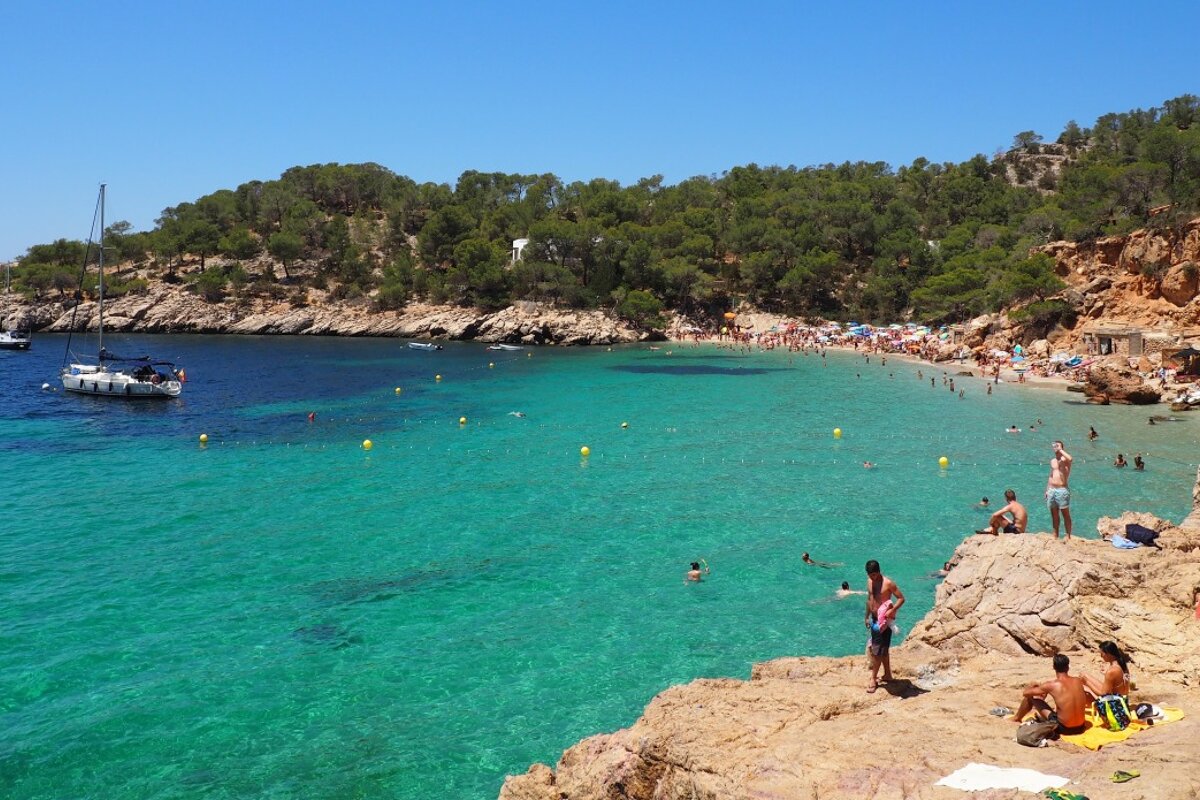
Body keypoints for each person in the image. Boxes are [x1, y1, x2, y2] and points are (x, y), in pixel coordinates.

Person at [1010, 654, 1089, 735]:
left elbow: (1025, 694)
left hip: (1064, 729)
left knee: (1030, 698)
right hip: (1080, 728)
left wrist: (1032, 686)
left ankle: (1016, 718)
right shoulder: (1078, 681)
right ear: (1068, 667)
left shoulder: (1051, 685)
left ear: (1054, 667)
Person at [864, 559, 904, 693]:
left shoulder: (888, 583)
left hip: (884, 622)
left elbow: (901, 598)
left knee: (877, 652)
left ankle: (873, 679)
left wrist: (892, 610)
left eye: (874, 575)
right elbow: (870, 600)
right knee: (883, 649)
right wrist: (866, 616)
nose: (872, 578)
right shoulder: (869, 581)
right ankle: (887, 674)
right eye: (870, 575)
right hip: (874, 619)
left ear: (879, 572)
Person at [1082, 641, 1134, 731]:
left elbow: (1104, 694)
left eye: (1102, 653)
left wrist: (1088, 686)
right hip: (1121, 699)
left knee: (1083, 683)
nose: (1101, 656)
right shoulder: (1122, 665)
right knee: (1083, 675)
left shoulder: (1112, 671)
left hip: (1113, 704)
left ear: (1108, 654)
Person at [1046, 440, 1074, 540]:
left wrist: (1060, 450)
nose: (1056, 447)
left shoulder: (1065, 459)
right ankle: (1055, 534)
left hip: (1062, 489)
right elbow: (1051, 475)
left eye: (1058, 446)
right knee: (1054, 513)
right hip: (1052, 490)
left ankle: (1068, 535)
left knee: (1065, 513)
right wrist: (1047, 489)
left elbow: (1070, 459)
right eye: (1055, 446)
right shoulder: (1053, 461)